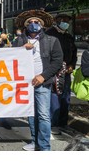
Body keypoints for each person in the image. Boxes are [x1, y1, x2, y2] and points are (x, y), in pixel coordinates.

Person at [13, 9, 63, 151]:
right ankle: (35, 142)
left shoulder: (52, 40)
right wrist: (22, 50)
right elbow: (12, 59)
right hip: (26, 84)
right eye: (30, 22)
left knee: (43, 115)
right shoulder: (19, 41)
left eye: (36, 22)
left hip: (43, 83)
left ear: (42, 25)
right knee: (30, 113)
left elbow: (57, 62)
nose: (33, 24)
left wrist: (43, 76)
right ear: (25, 26)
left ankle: (44, 147)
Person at [45, 14, 77, 134]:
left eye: (67, 21)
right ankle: (53, 123)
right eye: (62, 20)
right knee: (54, 97)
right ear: (56, 21)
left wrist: (72, 65)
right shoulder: (49, 34)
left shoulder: (69, 36)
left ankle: (63, 123)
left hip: (66, 71)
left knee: (65, 97)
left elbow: (74, 53)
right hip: (54, 71)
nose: (65, 22)